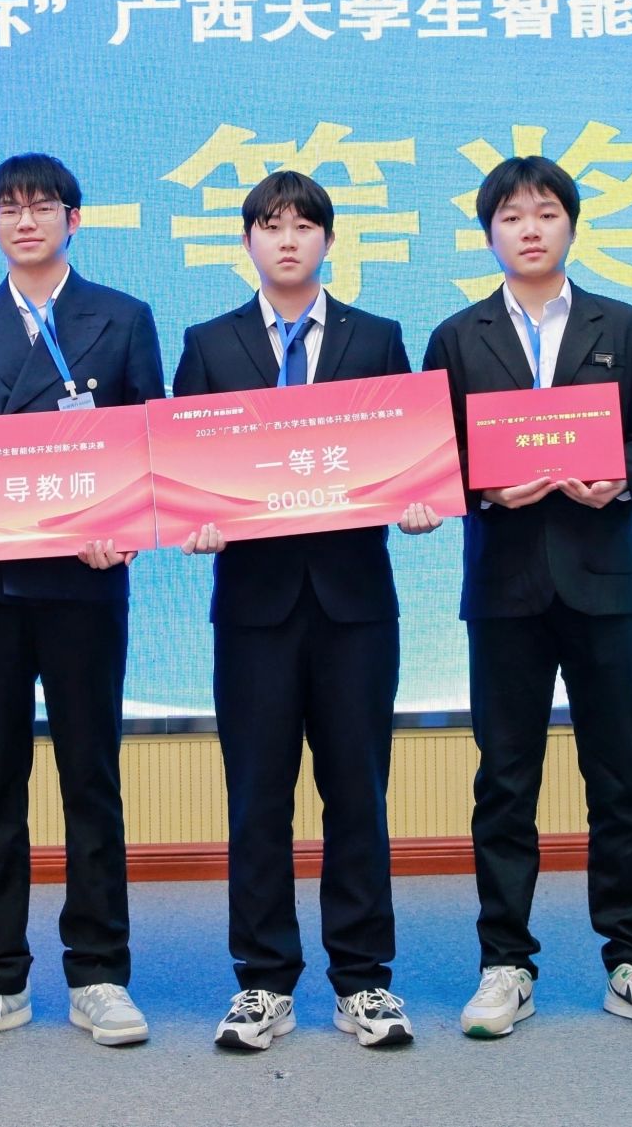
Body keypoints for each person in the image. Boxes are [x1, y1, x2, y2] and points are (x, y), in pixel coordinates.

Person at [420, 155, 632, 1038]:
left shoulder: (625, 324)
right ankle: (505, 962)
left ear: (571, 225)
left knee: (619, 777)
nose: (530, 229)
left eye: (545, 212)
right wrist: (483, 486)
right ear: (488, 234)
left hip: (602, 581)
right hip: (504, 587)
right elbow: (433, 451)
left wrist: (622, 478)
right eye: (511, 216)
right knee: (505, 780)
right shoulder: (457, 336)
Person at [173, 171, 441, 1052]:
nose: (287, 239)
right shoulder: (208, 343)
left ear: (329, 239)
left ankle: (363, 979)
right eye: (270, 225)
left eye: (303, 225)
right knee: (257, 796)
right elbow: (182, 465)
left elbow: (409, 455)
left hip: (354, 603)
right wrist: (192, 521)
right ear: (246, 241)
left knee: (357, 791)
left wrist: (420, 500)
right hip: (254, 606)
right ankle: (263, 981)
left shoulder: (378, 336)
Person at [0, 154, 166, 1049]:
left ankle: (99, 972)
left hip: (84, 582)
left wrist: (128, 529)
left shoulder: (122, 318)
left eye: (42, 205)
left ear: (73, 219)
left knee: (90, 777)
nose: (26, 220)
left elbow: (152, 447)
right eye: (9, 208)